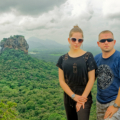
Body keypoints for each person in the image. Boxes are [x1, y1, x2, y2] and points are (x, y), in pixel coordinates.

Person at [56, 25, 97, 120]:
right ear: (68, 40)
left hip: (84, 95)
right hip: (69, 96)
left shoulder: (88, 56)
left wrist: (82, 98)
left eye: (80, 40)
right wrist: (74, 96)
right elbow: (62, 81)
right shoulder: (62, 59)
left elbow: (91, 79)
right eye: (74, 39)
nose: (77, 42)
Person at [94, 30, 120, 120]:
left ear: (114, 42)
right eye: (102, 40)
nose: (106, 42)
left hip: (115, 100)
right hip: (99, 101)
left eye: (109, 40)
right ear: (98, 43)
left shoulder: (119, 58)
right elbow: (90, 79)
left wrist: (116, 105)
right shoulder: (96, 58)